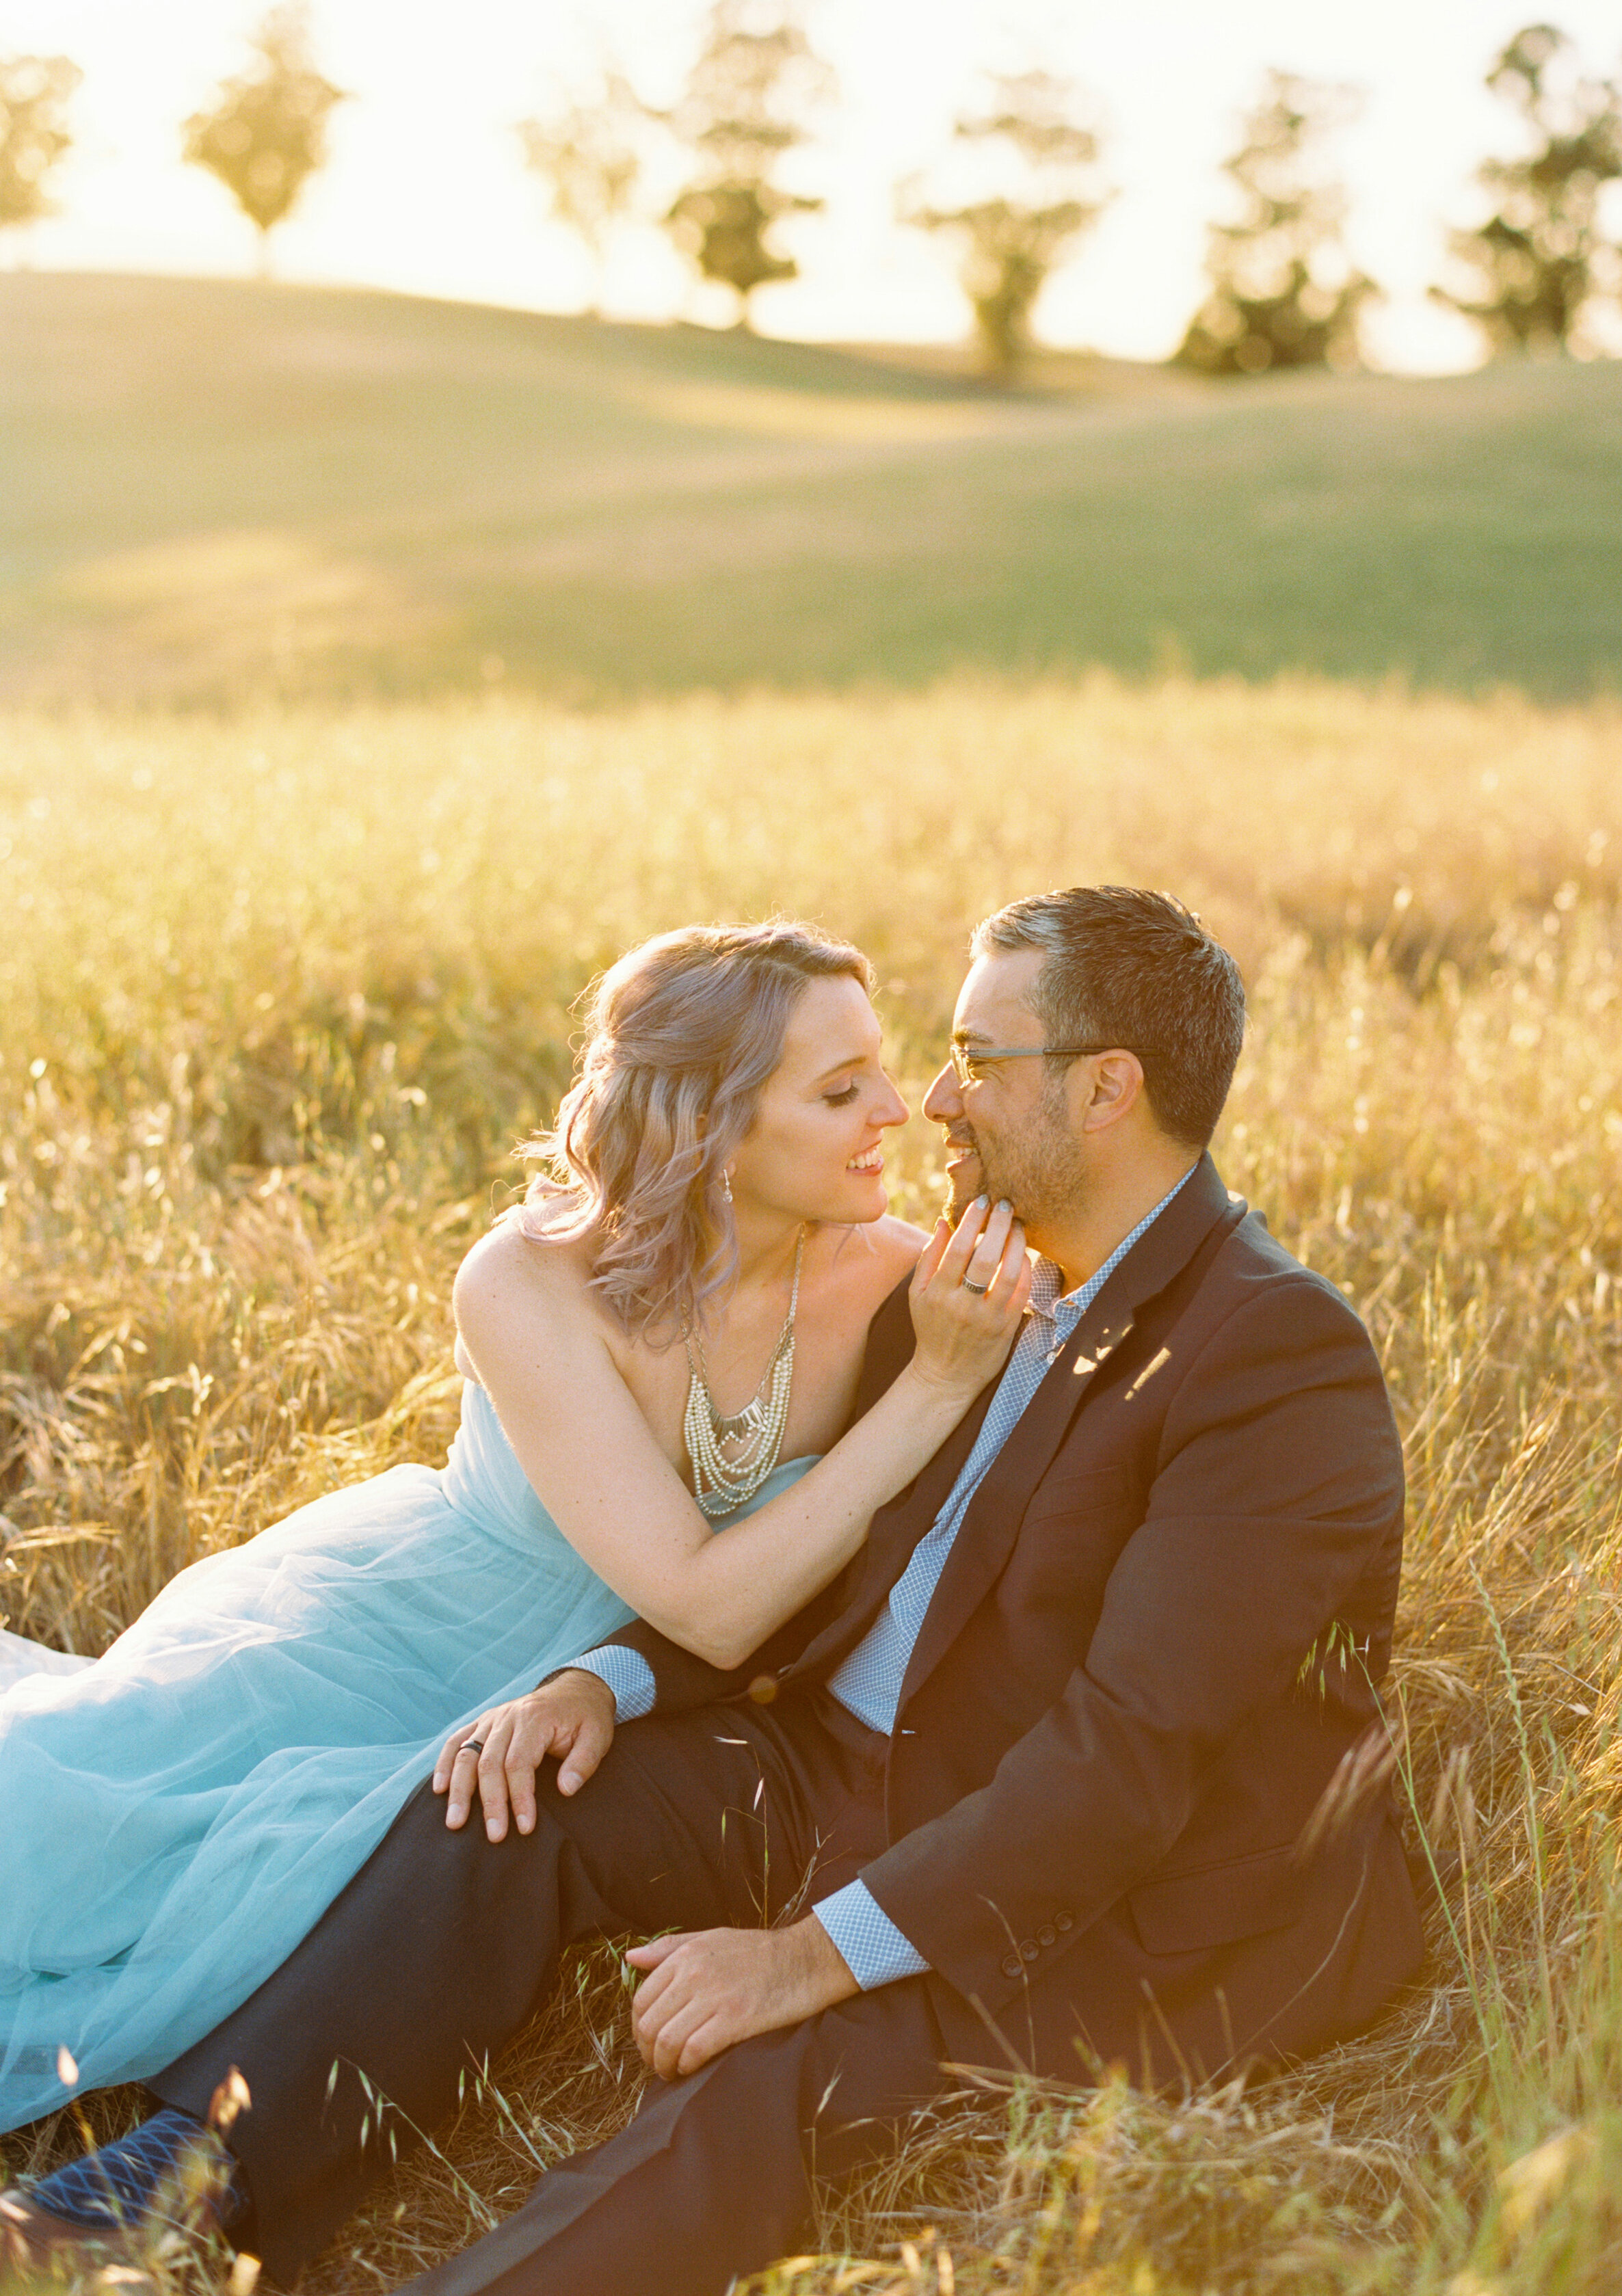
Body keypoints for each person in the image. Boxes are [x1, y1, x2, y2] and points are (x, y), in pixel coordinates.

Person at [4, 888, 1426, 2296]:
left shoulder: (1270, 1352)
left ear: (1103, 1088)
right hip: (826, 1763)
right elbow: (836, 1559)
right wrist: (598, 1682)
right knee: (505, 1794)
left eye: (976, 1058)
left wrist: (809, 1951)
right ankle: (180, 2182)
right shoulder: (966, 1282)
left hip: (1072, 1865)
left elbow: (1125, 1759)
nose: (932, 1099)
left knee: (771, 2069)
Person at [0, 920, 1031, 2138]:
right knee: (104, 1852)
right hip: (404, 1632)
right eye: (840, 1088)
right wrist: (931, 1392)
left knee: (354, 1898)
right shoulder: (528, 1280)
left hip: (604, 1684)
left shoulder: (901, 1278)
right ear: (713, 1120)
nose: (899, 1111)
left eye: (883, 1071)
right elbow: (707, 1599)